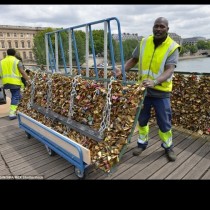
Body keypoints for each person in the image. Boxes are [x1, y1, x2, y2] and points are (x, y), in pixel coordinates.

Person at [115, 17, 181, 162]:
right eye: (156, 26)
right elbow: (133, 60)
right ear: (153, 27)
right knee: (142, 120)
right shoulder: (144, 42)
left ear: (167, 29)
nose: (158, 29)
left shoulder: (172, 47)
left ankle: (168, 147)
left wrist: (155, 81)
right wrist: (122, 71)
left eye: (162, 26)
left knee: (164, 122)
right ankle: (141, 144)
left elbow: (170, 70)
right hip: (143, 90)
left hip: (161, 92)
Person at [0, 48, 30, 120]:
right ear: (14, 53)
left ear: (7, 53)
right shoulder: (16, 61)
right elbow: (22, 72)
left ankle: (22, 109)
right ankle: (12, 113)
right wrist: (28, 80)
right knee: (15, 96)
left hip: (6, 82)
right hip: (15, 82)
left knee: (18, 95)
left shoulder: (2, 61)